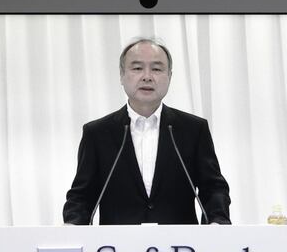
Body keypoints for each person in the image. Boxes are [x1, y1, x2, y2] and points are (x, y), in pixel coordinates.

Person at [63, 38, 231, 225]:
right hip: (115, 250)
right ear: (121, 75)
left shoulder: (193, 129)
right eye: (137, 68)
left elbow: (214, 188)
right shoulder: (97, 133)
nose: (147, 76)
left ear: (169, 76)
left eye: (157, 69)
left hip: (181, 250)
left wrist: (217, 222)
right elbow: (82, 196)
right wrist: (72, 225)